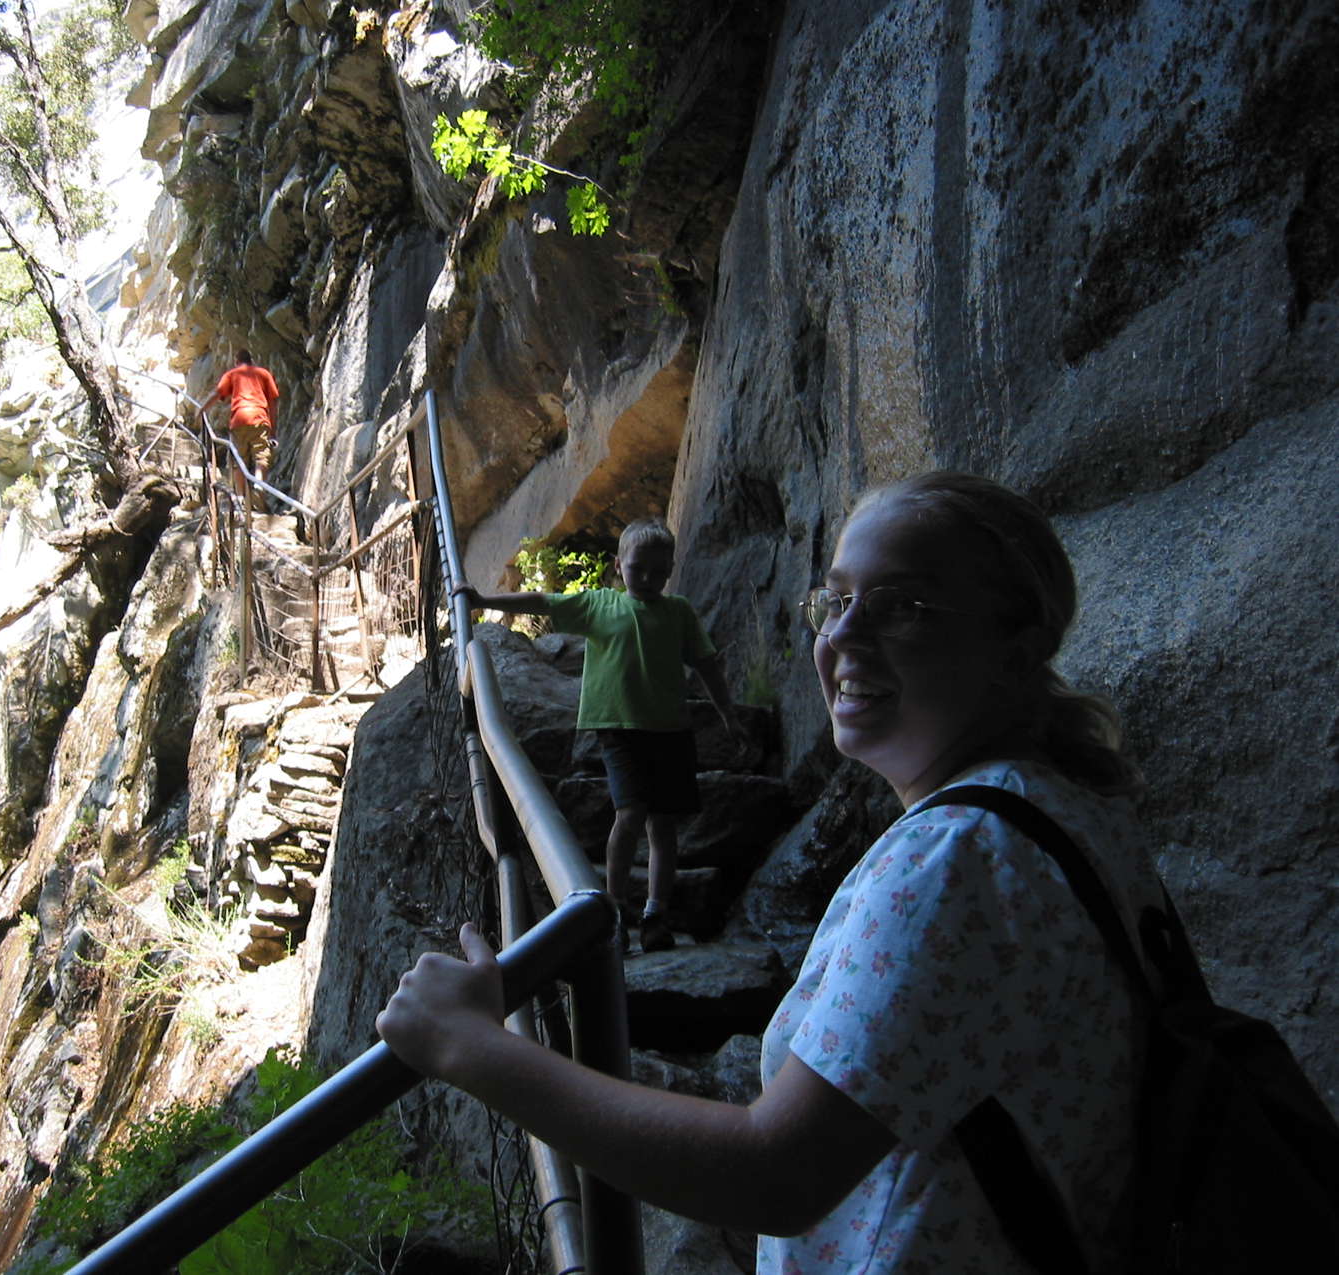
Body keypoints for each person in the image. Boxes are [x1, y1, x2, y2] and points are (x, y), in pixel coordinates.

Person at [380, 471, 1163, 1273]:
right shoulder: (1063, 805)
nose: (844, 633)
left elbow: (778, 1171)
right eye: (837, 599)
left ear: (1013, 651)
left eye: (901, 605)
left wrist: (471, 1047)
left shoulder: (956, 858)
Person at [453, 517, 746, 951]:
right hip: (619, 733)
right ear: (618, 565)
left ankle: (656, 914)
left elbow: (706, 664)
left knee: (663, 826)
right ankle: (615, 910)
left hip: (670, 732)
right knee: (629, 815)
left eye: (658, 571)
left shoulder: (679, 612)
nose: (647, 578)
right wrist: (483, 599)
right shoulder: (599, 605)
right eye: (638, 568)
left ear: (670, 570)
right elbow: (543, 601)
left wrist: (728, 715)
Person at [212, 349, 280, 507]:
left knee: (239, 459)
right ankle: (259, 486)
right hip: (259, 418)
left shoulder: (232, 374)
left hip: (239, 419)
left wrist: (202, 409)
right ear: (251, 361)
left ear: (236, 362)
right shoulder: (263, 374)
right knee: (261, 456)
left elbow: (218, 394)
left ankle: (240, 497)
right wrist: (273, 430)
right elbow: (273, 402)